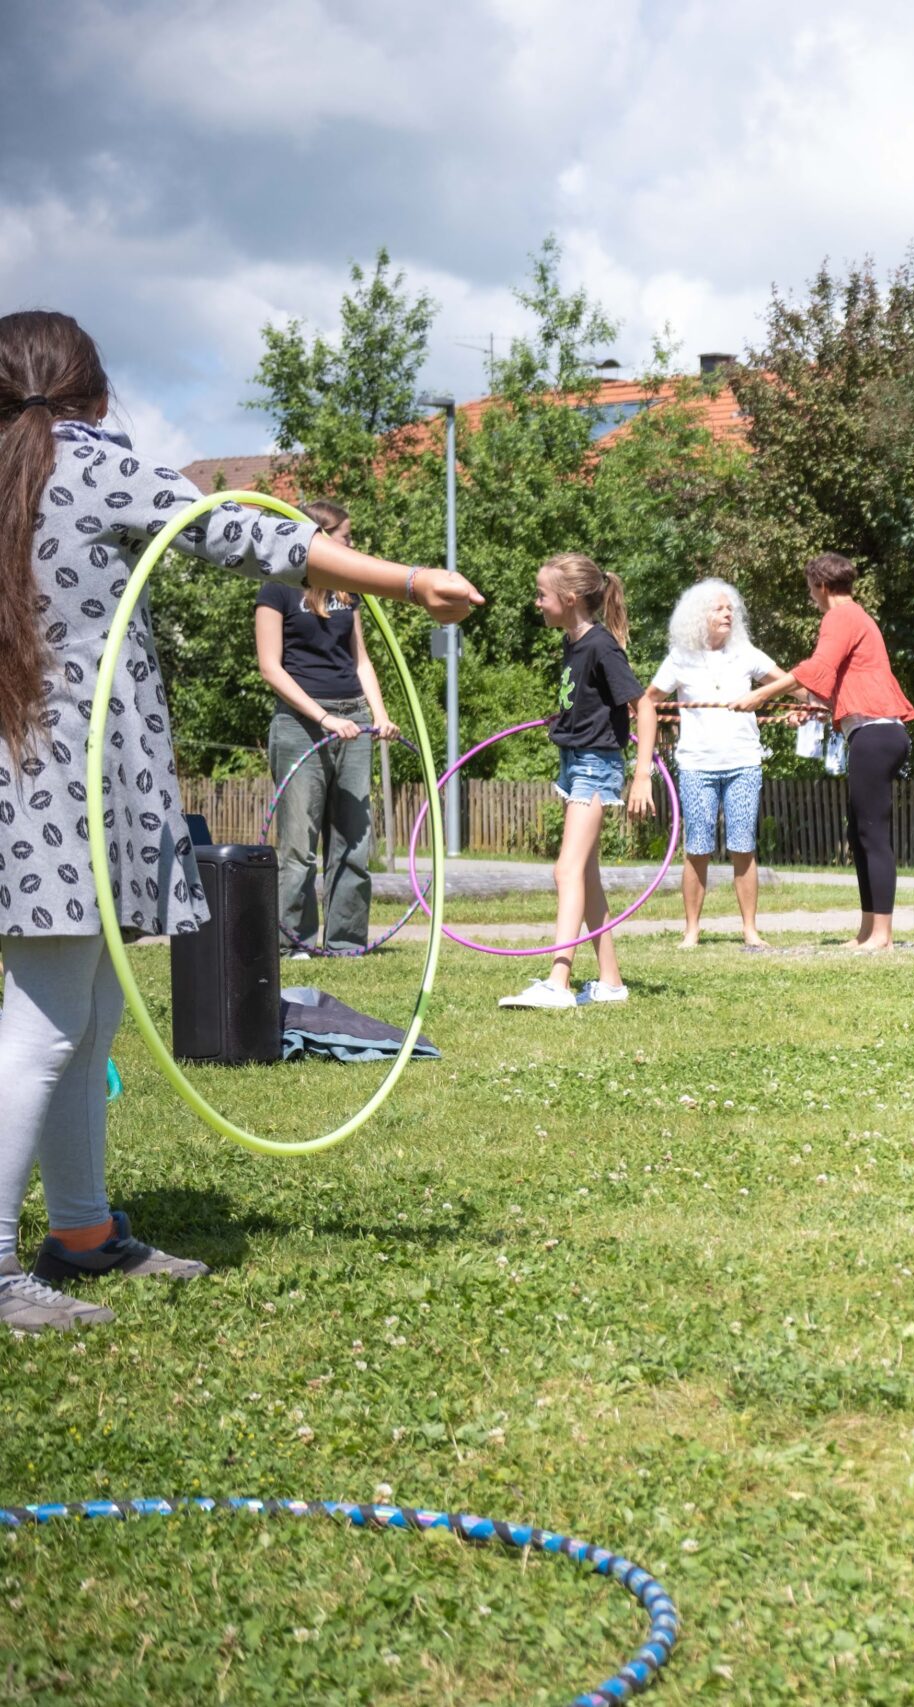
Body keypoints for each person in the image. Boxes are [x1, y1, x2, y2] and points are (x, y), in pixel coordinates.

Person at [0, 309, 483, 1334]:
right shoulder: (87, 461)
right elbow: (251, 530)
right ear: (88, 391)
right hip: (67, 782)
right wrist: (407, 580)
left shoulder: (15, 473)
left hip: (31, 773)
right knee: (46, 1021)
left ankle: (81, 1229)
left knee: (85, 1012)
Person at [739, 552, 914, 953]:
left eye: (810, 590)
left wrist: (761, 694)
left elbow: (817, 665)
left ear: (821, 586)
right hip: (870, 732)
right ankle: (868, 930)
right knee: (859, 832)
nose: (812, 598)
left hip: (876, 734)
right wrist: (813, 709)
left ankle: (883, 936)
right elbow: (840, 678)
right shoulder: (856, 617)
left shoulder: (840, 616)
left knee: (873, 834)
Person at [498, 553, 644, 1011]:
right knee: (586, 874)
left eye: (542, 595)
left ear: (569, 598)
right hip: (574, 760)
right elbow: (589, 701)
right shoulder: (572, 642)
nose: (537, 602)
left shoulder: (601, 645)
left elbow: (645, 706)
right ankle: (610, 982)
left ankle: (559, 983)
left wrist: (643, 775)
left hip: (595, 768)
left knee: (566, 870)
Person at [256, 498, 399, 958]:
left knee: (355, 841)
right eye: (346, 537)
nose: (351, 545)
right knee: (298, 847)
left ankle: (345, 941)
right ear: (319, 536)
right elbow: (270, 668)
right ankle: (291, 941)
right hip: (302, 723)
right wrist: (323, 719)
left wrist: (378, 715)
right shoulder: (276, 589)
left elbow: (360, 660)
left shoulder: (347, 591)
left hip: (353, 720)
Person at [628, 578, 786, 950]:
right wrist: (622, 715)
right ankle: (692, 930)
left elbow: (787, 683)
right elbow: (648, 701)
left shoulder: (746, 653)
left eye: (730, 608)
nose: (728, 613)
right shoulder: (681, 658)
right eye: (719, 608)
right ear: (700, 616)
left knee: (743, 844)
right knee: (697, 846)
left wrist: (811, 705)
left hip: (744, 762)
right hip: (697, 764)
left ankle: (750, 929)